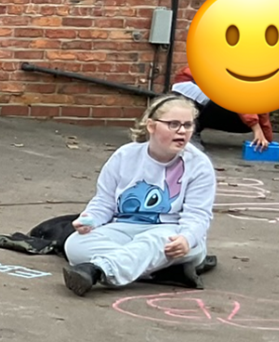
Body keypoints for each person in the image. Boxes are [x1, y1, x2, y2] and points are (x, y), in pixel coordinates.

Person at [62, 93, 217, 297]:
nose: (182, 131)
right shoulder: (125, 155)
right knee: (75, 245)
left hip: (171, 233)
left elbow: (198, 215)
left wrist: (187, 238)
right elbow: (104, 201)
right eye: (173, 124)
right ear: (151, 126)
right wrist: (90, 219)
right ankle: (159, 271)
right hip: (125, 228)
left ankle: (98, 270)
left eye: (188, 125)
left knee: (153, 242)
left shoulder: (199, 164)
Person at [170, 68, 270, 149]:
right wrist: (256, 128)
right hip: (188, 87)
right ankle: (190, 132)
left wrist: (267, 140)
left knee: (245, 123)